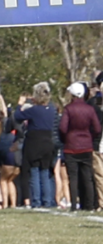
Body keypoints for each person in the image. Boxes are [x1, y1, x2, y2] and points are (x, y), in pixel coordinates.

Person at [8, 85, 59, 210]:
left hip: (34, 142)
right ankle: (47, 200)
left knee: (34, 171)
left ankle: (36, 200)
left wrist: (20, 104)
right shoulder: (52, 110)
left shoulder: (34, 110)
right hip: (48, 142)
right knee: (45, 172)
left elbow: (18, 116)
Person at [64, 82, 100, 212]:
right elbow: (97, 128)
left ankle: (74, 204)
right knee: (88, 176)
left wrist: (66, 138)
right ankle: (90, 205)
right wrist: (89, 137)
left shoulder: (68, 109)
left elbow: (62, 128)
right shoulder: (89, 109)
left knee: (73, 177)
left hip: (71, 146)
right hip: (86, 145)